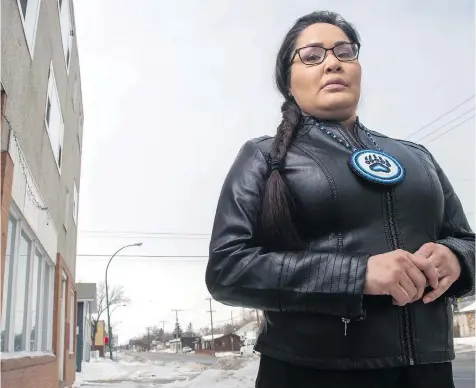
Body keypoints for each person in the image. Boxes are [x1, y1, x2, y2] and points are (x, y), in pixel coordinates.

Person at [205, 10, 474, 388]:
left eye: (344, 52)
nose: (332, 62)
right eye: (313, 55)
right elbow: (227, 270)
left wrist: (457, 259)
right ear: (288, 81)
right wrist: (358, 275)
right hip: (310, 372)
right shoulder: (264, 158)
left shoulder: (417, 156)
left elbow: (466, 240)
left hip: (428, 371)